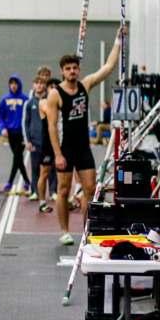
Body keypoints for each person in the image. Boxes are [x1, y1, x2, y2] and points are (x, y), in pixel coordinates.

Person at [46, 28, 122, 245]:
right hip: (65, 148)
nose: (72, 71)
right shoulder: (55, 94)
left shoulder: (85, 85)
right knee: (62, 190)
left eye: (75, 68)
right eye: (68, 69)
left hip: (83, 147)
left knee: (90, 188)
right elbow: (51, 126)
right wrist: (58, 154)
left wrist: (118, 40)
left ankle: (87, 230)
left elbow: (108, 67)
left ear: (78, 70)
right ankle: (64, 231)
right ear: (62, 72)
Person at [0, 75, 30, 194]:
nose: (13, 85)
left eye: (15, 83)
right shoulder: (4, 99)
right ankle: (27, 181)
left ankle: (10, 182)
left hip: (22, 133)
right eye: (11, 83)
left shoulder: (25, 99)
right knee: (18, 159)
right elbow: (0, 116)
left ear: (19, 84)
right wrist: (3, 128)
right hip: (10, 133)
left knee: (17, 156)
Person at [36, 78, 60, 213]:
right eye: (51, 87)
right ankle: (42, 202)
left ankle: (65, 199)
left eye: (56, 87)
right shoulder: (43, 102)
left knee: (64, 172)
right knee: (44, 173)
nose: (54, 89)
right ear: (47, 89)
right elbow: (51, 114)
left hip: (60, 141)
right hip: (47, 144)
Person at [24, 76, 47, 201]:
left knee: (51, 170)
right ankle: (34, 192)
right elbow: (26, 123)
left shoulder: (49, 101)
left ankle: (53, 191)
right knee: (35, 169)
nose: (39, 85)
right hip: (35, 142)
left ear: (44, 85)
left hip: (47, 142)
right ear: (33, 85)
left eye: (41, 83)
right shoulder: (29, 103)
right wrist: (27, 140)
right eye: (36, 83)